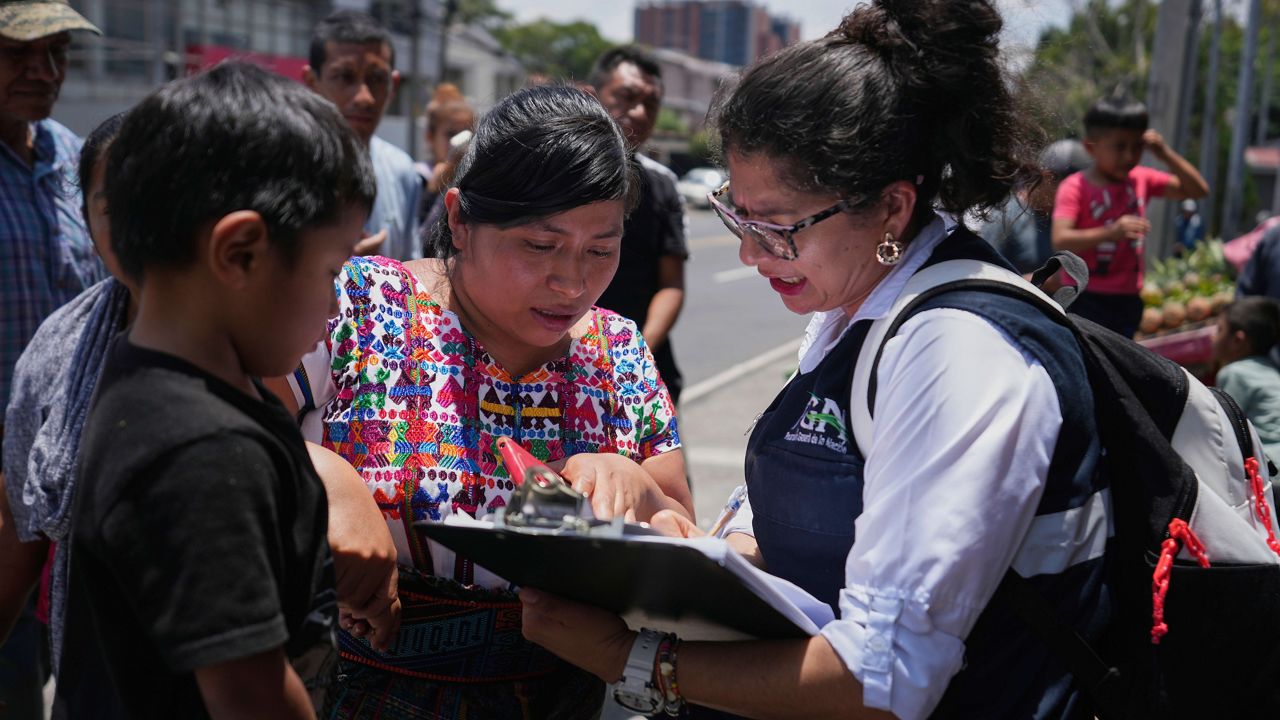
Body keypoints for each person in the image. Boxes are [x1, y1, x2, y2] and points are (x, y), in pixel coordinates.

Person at [520, 2, 1116, 718]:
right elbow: (814, 539)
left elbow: (886, 677)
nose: (748, 253)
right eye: (737, 217)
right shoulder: (851, 314)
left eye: (776, 228)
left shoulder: (955, 353)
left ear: (892, 208)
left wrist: (632, 659)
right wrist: (674, 539)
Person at [276, 84, 693, 719]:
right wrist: (326, 476)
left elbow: (682, 538)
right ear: (462, 221)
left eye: (601, 250)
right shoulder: (358, 306)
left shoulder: (616, 351)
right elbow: (223, 436)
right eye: (540, 245)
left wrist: (636, 486)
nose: (572, 281)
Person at [2, 112, 400, 701]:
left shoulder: (185, 383)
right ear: (236, 249)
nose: (339, 307)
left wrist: (329, 476)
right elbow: (251, 692)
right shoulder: (197, 445)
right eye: (332, 272)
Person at [0, 1, 102, 715]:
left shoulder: (71, 157)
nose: (43, 70)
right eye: (17, 52)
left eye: (57, 51)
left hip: (64, 478)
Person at [1051, 92, 1209, 338]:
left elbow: (1197, 189)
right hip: (1084, 296)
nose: (1128, 156)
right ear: (1090, 147)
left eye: (1137, 147)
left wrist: (1165, 153)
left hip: (1128, 300)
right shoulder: (1075, 186)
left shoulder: (1141, 178)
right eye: (1120, 147)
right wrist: (1111, 232)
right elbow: (1061, 239)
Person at [590, 46, 689, 402]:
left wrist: (633, 351)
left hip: (642, 375)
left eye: (651, 103)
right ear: (592, 96)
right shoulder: (551, 176)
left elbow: (671, 284)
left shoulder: (662, 185)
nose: (639, 112)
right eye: (626, 97)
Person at [304, 9, 422, 262]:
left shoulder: (401, 170)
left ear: (393, 86)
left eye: (376, 79)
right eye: (345, 77)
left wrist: (383, 276)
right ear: (312, 82)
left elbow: (412, 274)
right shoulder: (285, 166)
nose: (364, 98)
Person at [977, 138, 1088, 275]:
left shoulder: (1074, 220)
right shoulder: (1006, 216)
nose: (1079, 197)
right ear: (1048, 178)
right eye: (1074, 189)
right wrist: (1043, 282)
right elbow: (984, 276)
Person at [1214, 297, 1280, 461]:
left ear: (1238, 340)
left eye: (1219, 330)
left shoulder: (1234, 373)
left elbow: (1225, 431)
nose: (1212, 337)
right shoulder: (1271, 369)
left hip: (1271, 466)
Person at [416, 82, 475, 241]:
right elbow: (417, 236)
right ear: (430, 136)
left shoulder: (474, 178)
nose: (459, 141)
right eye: (450, 133)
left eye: (467, 132)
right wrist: (433, 190)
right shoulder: (419, 176)